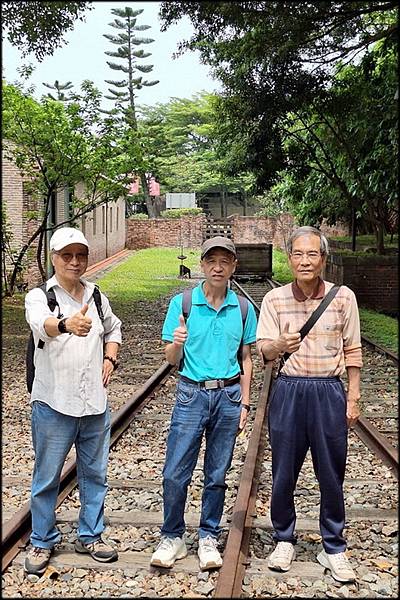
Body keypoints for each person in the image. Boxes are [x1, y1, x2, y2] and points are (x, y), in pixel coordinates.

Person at [256, 226, 362, 583]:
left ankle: (333, 546)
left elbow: (353, 350)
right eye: (298, 254)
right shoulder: (274, 300)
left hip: (329, 392)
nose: (305, 261)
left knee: (331, 473)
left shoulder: (343, 297)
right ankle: (283, 537)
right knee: (284, 470)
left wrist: (353, 395)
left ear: (323, 258)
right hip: (288, 390)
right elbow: (264, 350)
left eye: (312, 254)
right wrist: (279, 346)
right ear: (289, 259)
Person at [150, 236, 258, 571]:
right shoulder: (182, 304)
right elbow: (170, 358)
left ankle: (208, 536)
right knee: (175, 471)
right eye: (212, 260)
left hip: (228, 397)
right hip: (191, 393)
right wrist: (177, 343)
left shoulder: (242, 308)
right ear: (202, 264)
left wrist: (245, 403)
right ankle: (173, 536)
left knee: (216, 473)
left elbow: (247, 357)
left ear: (233, 267)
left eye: (225, 261)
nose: (218, 267)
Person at [24, 227, 121, 577]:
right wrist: (67, 324)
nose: (75, 262)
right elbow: (43, 325)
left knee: (95, 474)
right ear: (53, 258)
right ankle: (41, 538)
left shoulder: (96, 296)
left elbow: (113, 329)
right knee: (47, 476)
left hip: (94, 404)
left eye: (81, 255)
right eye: (67, 255)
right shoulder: (39, 296)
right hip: (53, 403)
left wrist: (110, 359)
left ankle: (90, 535)